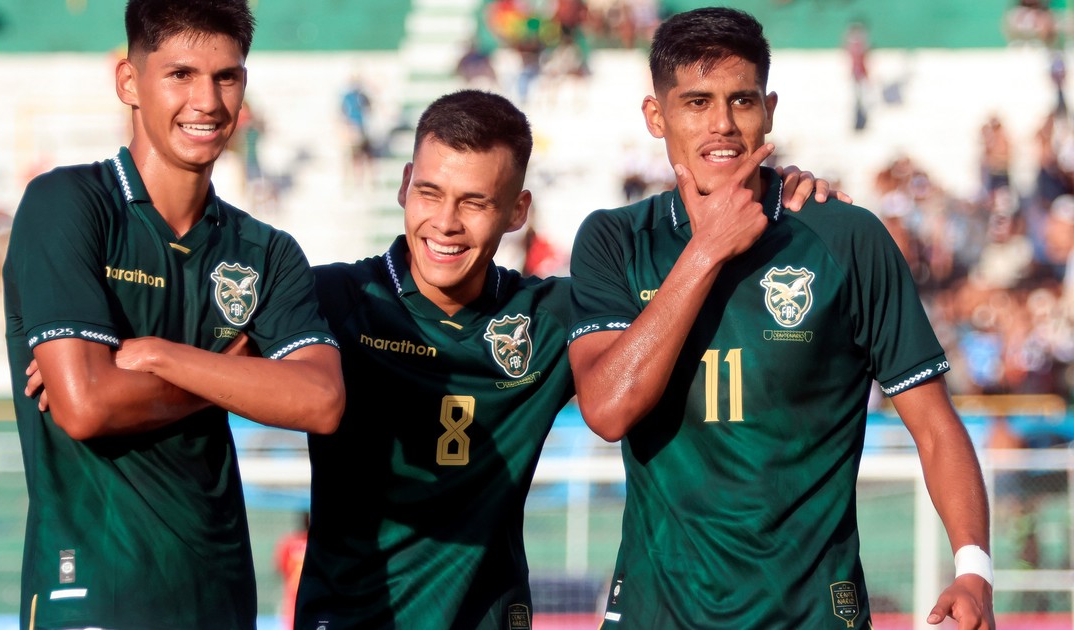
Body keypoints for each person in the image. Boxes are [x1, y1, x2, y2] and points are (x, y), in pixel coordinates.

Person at [292, 88, 842, 629]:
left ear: (518, 211)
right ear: (404, 185)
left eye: (475, 202)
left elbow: (662, 319)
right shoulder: (330, 299)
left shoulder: (554, 316)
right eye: (430, 193)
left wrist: (777, 195)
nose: (446, 222)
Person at [566, 8, 994, 629]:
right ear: (656, 116)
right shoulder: (615, 240)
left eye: (741, 101)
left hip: (811, 614)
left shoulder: (845, 237)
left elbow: (934, 425)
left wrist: (974, 568)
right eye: (696, 102)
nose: (722, 123)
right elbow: (608, 411)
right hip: (656, 614)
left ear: (768, 110)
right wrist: (707, 251)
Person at [1, 1, 344, 628]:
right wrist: (231, 372)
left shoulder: (267, 251)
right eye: (180, 74)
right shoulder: (67, 204)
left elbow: (320, 402)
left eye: (226, 77)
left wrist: (163, 357)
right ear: (129, 82)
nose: (207, 101)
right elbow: (85, 406)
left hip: (221, 596)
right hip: (91, 589)